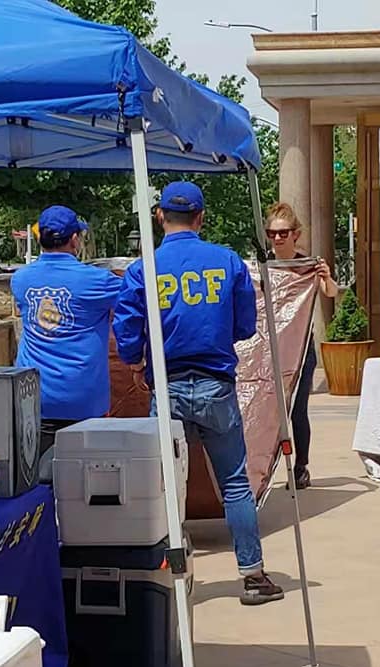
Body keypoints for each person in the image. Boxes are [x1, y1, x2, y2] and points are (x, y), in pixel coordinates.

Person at [113, 181, 284, 606]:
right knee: (235, 484)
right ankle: (252, 575)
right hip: (214, 384)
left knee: (163, 487)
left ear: (159, 216)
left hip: (167, 384)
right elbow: (245, 326)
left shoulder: (143, 268)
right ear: (201, 218)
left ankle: (161, 578)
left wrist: (135, 362)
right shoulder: (227, 261)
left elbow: (127, 326)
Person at [12, 206, 122, 456]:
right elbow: (134, 300)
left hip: (33, 396)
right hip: (82, 398)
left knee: (34, 474)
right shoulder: (98, 280)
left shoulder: (20, 279)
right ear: (74, 239)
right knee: (86, 474)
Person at [264, 202, 338, 489]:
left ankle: (301, 466)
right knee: (269, 410)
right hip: (269, 349)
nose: (277, 238)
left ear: (295, 234)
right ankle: (264, 466)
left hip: (301, 349)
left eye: (283, 233)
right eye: (272, 233)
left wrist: (325, 276)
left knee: (297, 410)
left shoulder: (307, 265)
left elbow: (330, 292)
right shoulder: (262, 265)